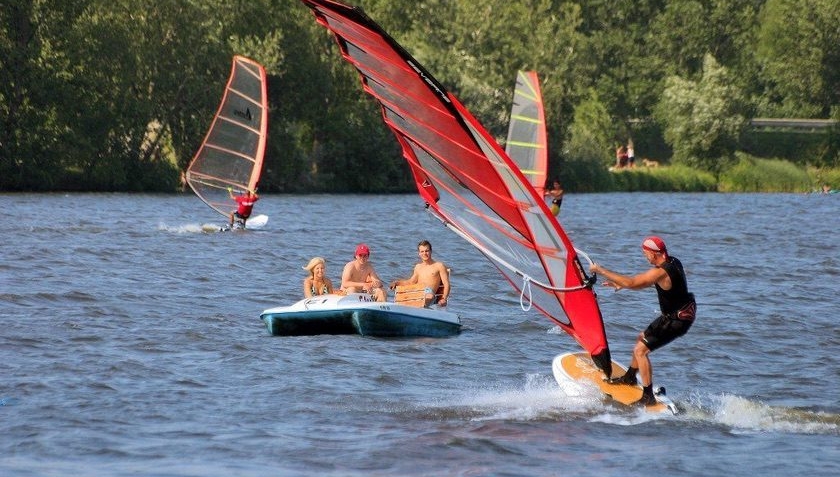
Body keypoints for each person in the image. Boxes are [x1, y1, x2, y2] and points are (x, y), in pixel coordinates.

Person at [588, 236, 696, 406]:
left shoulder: (660, 272)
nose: (645, 257)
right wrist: (621, 285)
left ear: (654, 254)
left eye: (646, 253)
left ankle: (648, 396)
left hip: (677, 320)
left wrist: (600, 270)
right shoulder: (674, 262)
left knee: (641, 351)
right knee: (641, 338)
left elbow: (633, 282)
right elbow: (643, 284)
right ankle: (630, 377)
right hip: (678, 314)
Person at [389, 240, 450, 307]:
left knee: (430, 296)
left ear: (431, 251)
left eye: (426, 251)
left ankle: (416, 307)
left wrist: (444, 298)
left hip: (429, 294)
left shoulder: (439, 266)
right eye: (422, 251)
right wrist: (397, 283)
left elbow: (446, 284)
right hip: (417, 292)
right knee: (402, 294)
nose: (424, 253)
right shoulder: (418, 267)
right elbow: (411, 282)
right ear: (419, 253)